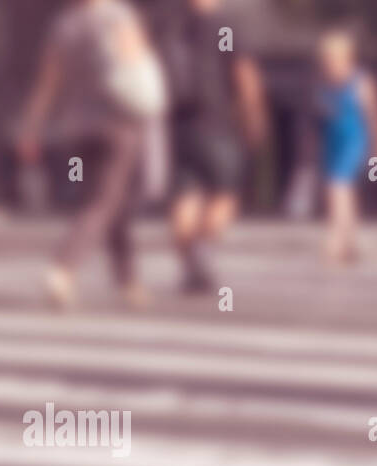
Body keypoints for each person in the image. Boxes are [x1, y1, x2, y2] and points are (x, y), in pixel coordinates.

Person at [17, 0, 160, 309]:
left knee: (113, 202)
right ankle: (63, 267)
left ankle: (128, 281)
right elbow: (135, 64)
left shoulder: (63, 25)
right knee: (103, 201)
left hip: (77, 130)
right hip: (119, 124)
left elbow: (48, 82)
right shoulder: (119, 16)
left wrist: (32, 127)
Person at [163, 0, 267, 294]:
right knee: (225, 194)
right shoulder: (225, 26)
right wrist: (254, 119)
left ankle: (190, 261)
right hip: (217, 124)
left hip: (179, 125)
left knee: (185, 195)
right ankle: (202, 248)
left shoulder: (174, 24)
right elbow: (244, 74)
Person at [314, 28, 377, 265]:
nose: (328, 66)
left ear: (346, 58)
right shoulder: (322, 83)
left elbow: (374, 115)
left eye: (332, 60)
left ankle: (337, 239)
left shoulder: (361, 82)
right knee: (343, 191)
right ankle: (350, 240)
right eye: (325, 62)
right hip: (332, 141)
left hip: (354, 141)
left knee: (337, 186)